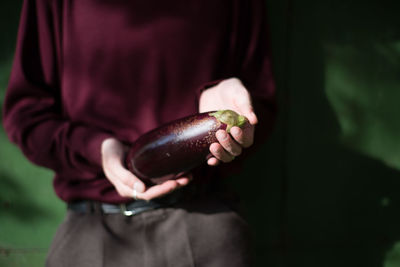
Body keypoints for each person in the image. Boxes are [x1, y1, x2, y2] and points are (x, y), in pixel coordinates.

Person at [2, 0, 276, 266]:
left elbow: (261, 104)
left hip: (204, 226)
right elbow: (25, 115)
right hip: (92, 233)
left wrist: (237, 108)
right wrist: (95, 148)